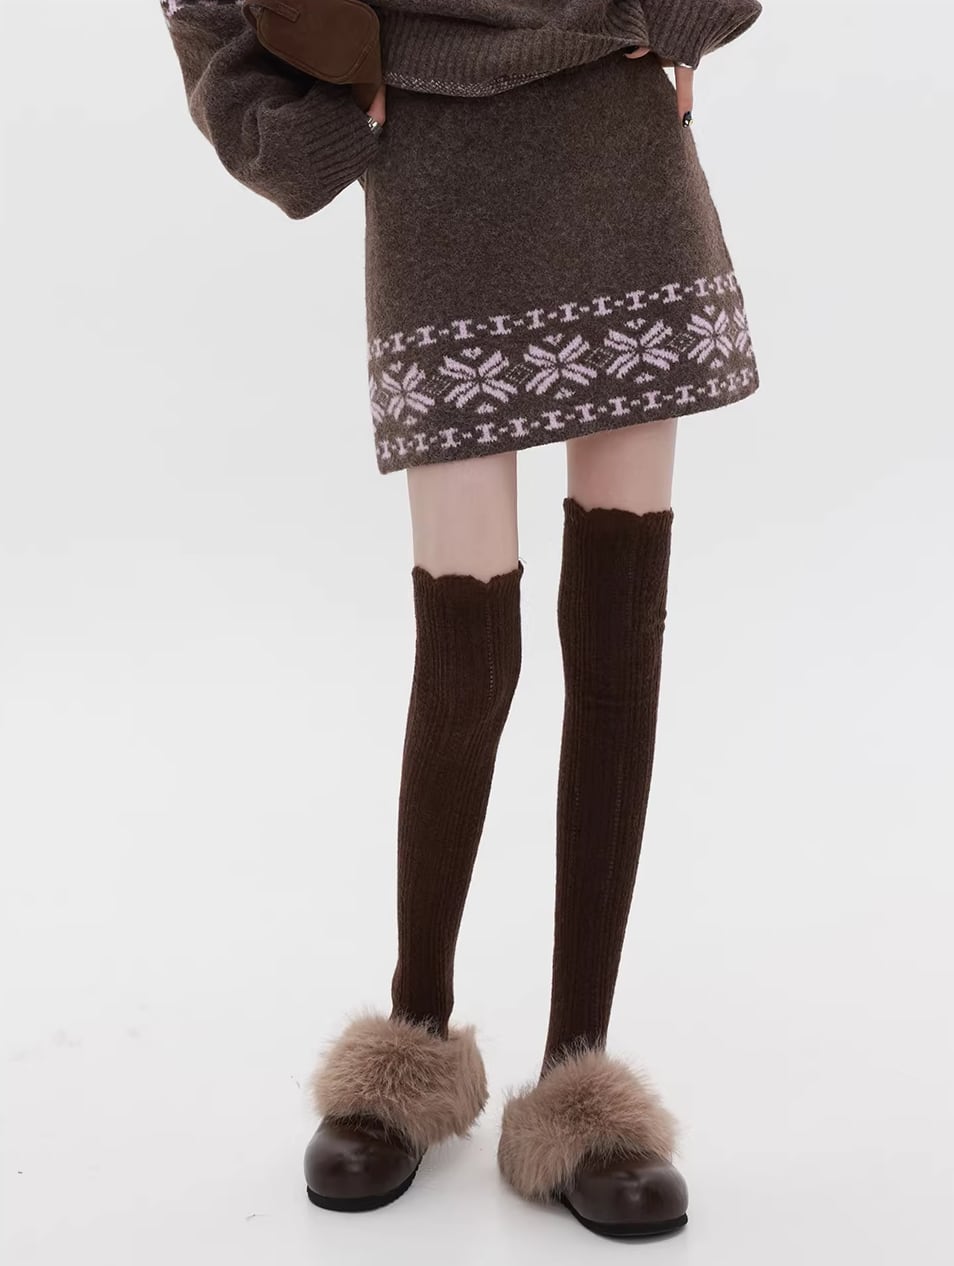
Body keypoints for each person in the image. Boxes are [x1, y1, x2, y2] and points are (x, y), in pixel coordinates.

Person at [160, 0, 763, 1239]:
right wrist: (300, 122)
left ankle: (581, 1078)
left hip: (612, 140)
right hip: (433, 161)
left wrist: (684, 17)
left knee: (617, 642)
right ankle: (415, 1034)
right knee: (465, 654)